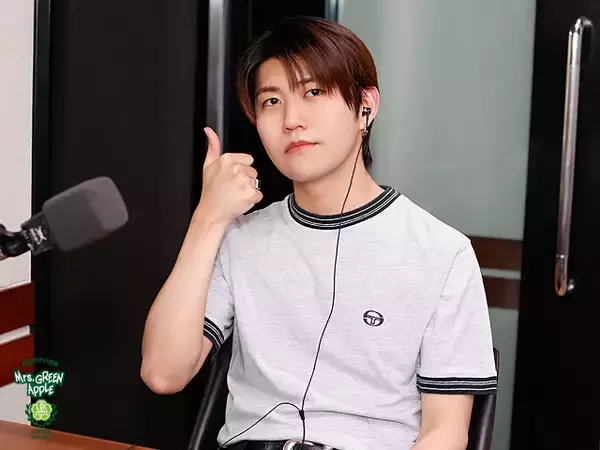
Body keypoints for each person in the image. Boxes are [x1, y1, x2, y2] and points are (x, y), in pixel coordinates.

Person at [140, 16, 497, 450]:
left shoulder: (442, 253)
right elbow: (163, 373)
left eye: (313, 92)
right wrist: (207, 219)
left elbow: (445, 433)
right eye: (272, 101)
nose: (292, 120)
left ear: (365, 106)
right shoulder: (240, 238)